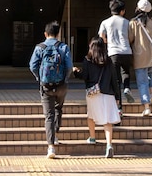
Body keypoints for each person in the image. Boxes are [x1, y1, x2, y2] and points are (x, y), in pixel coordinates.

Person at [29, 21, 73, 159]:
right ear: (58, 33)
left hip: (46, 86)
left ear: (45, 34)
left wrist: (40, 78)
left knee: (49, 115)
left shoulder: (39, 47)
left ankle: (51, 147)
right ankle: (56, 135)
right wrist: (65, 79)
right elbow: (69, 67)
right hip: (61, 85)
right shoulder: (63, 47)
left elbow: (32, 66)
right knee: (58, 109)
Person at [74, 37, 121, 158]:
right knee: (107, 120)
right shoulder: (108, 61)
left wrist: (76, 72)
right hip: (108, 93)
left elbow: (85, 76)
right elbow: (114, 80)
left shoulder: (88, 60)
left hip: (93, 94)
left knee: (91, 115)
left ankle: (92, 137)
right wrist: (117, 96)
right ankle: (109, 145)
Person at [98, 0, 134, 106]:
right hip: (126, 51)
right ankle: (127, 87)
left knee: (116, 80)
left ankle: (119, 107)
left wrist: (108, 41)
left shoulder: (105, 22)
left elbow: (101, 36)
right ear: (122, 11)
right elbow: (131, 37)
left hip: (113, 52)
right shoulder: (127, 22)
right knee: (126, 72)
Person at [129, 0, 152, 116]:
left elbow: (130, 38)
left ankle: (146, 106)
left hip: (139, 55)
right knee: (149, 74)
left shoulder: (133, 23)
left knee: (142, 81)